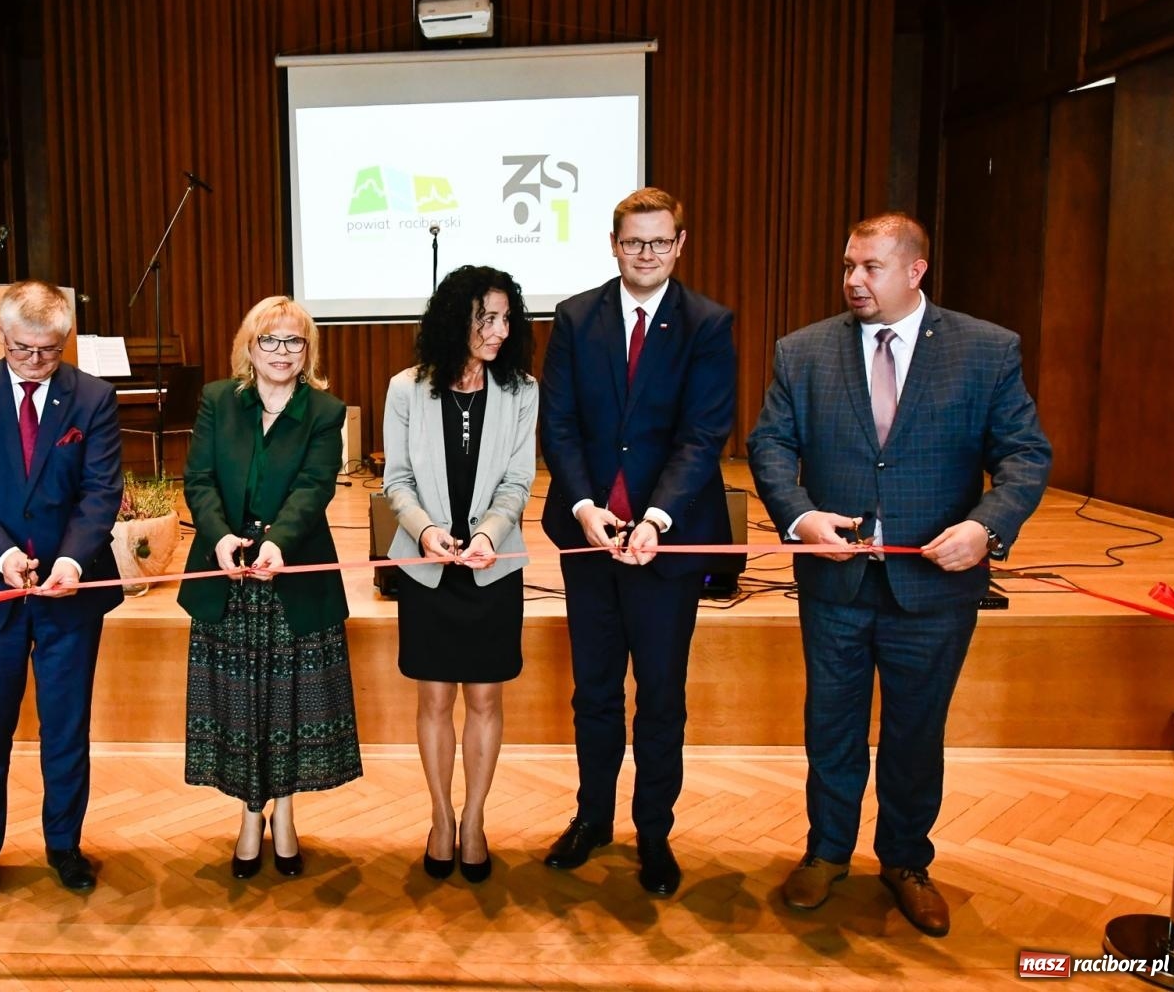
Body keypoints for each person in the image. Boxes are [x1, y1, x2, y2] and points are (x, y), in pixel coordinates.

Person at [747, 212, 1051, 936]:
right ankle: (826, 854)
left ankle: (907, 860)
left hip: (934, 587)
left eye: (870, 267)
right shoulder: (803, 352)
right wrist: (800, 517)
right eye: (848, 266)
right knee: (832, 726)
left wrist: (985, 528)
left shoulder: (986, 350)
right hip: (836, 585)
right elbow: (769, 446)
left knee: (917, 731)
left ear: (916, 270)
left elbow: (1024, 456)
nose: (854, 280)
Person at [538, 187, 737, 896]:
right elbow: (558, 424)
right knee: (592, 692)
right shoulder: (574, 317)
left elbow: (704, 433)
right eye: (633, 242)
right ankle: (593, 819)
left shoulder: (707, 324)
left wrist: (656, 518)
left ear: (680, 244)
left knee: (659, 696)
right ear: (613, 244)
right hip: (589, 538)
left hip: (665, 545)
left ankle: (654, 834)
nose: (645, 254)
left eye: (659, 242)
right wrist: (587, 507)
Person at [0, 280, 125, 912]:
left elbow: (101, 492)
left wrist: (70, 559)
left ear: (64, 339)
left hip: (70, 591)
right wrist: (4, 555)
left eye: (47, 350)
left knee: (66, 729)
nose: (36, 363)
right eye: (23, 350)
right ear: (1, 336)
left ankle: (64, 846)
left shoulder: (92, 398)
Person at [178, 295, 361, 879]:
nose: (282, 353)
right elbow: (199, 479)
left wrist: (278, 542)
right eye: (270, 341)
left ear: (308, 351)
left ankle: (284, 811)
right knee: (238, 709)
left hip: (292, 579)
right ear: (249, 348)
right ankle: (249, 814)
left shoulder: (326, 411)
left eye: (294, 342)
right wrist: (220, 537)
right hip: (226, 578)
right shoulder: (216, 401)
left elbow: (314, 488)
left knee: (286, 709)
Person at [383, 265, 538, 884]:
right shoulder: (405, 389)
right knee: (435, 697)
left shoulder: (521, 389)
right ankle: (440, 817)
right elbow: (396, 480)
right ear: (457, 320)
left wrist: (487, 536)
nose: (500, 330)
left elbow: (519, 480)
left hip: (491, 567)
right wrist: (426, 531)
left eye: (506, 319)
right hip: (426, 570)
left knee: (485, 697)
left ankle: (475, 820)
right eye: (486, 319)